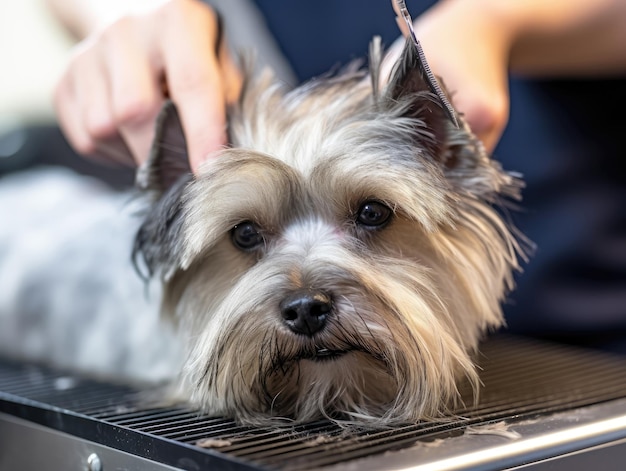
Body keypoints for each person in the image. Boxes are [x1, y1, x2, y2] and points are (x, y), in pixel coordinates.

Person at [48, 0, 626, 351]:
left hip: (590, 324)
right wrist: (123, 19)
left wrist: (497, 17)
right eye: (247, 236)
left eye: (371, 216)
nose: (303, 297)